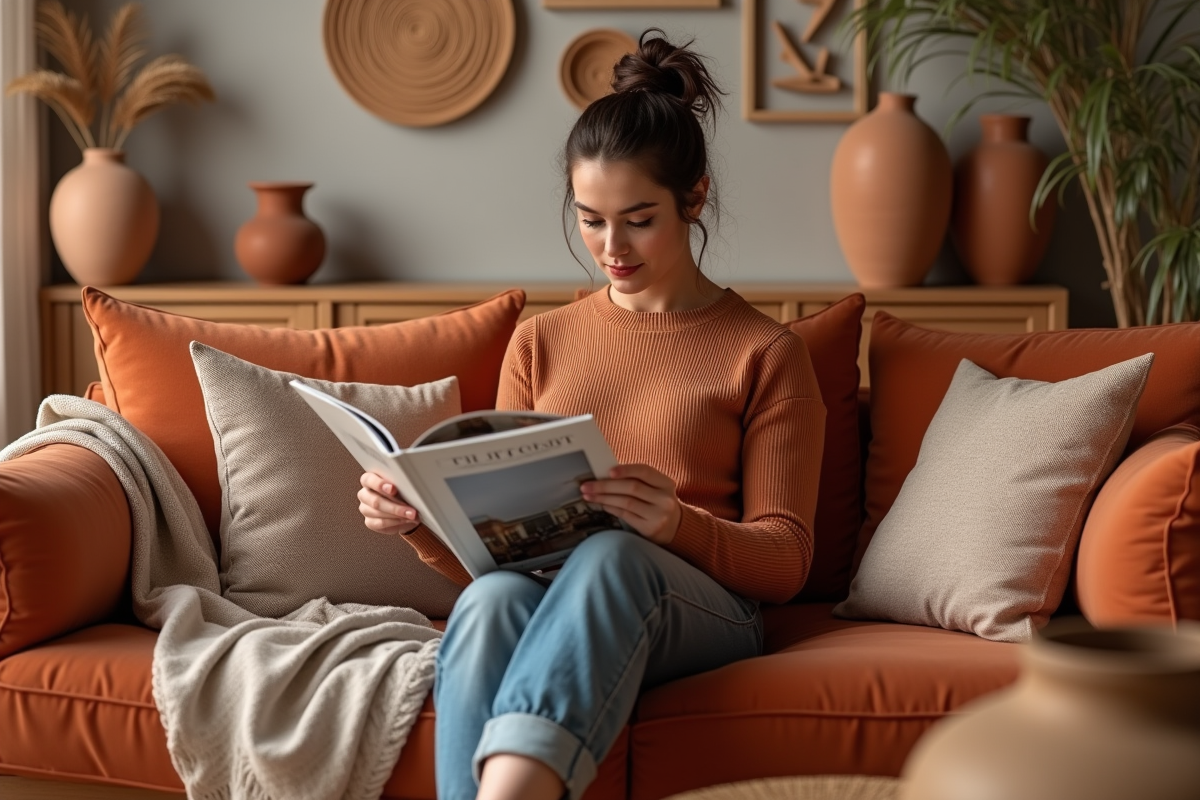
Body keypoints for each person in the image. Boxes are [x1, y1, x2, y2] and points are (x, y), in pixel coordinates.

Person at [357, 29, 826, 800]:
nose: (612, 247)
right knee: (492, 598)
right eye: (590, 219)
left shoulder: (766, 352)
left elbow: (784, 562)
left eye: (639, 218)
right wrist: (420, 525)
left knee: (616, 558)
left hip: (702, 605)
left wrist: (675, 524)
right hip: (550, 588)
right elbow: (492, 557)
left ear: (694, 197)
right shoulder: (540, 342)